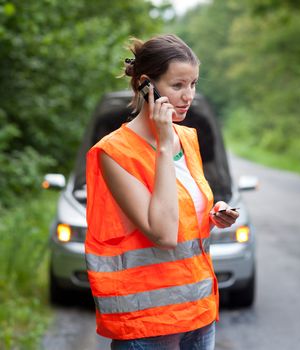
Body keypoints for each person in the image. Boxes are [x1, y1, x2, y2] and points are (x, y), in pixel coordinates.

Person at [85, 34, 239, 350]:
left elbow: (178, 209)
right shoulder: (115, 153)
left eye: (193, 84)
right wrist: (165, 146)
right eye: (177, 85)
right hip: (147, 325)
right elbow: (165, 234)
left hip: (198, 313)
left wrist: (211, 214)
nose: (188, 96)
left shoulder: (188, 139)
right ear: (146, 85)